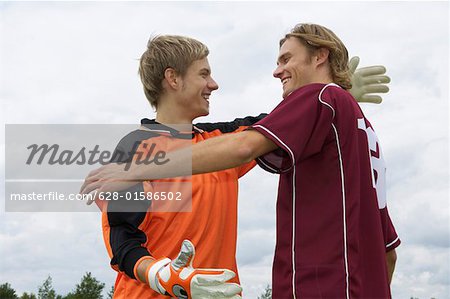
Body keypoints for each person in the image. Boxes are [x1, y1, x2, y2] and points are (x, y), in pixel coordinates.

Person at [82, 29, 396, 298]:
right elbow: (122, 242)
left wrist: (336, 92)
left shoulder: (220, 141)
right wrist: (166, 277)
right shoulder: (135, 149)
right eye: (203, 74)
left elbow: (285, 123)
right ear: (173, 79)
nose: (214, 84)